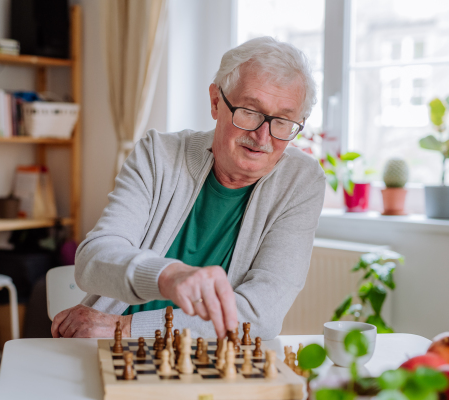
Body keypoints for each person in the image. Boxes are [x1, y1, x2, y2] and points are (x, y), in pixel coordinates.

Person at [51, 36, 325, 340]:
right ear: (216, 101)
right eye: (250, 111)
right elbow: (93, 259)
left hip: (194, 354)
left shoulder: (301, 180)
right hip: (109, 349)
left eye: (283, 122)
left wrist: (127, 327)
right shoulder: (158, 154)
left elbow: (260, 315)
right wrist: (168, 276)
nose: (263, 137)